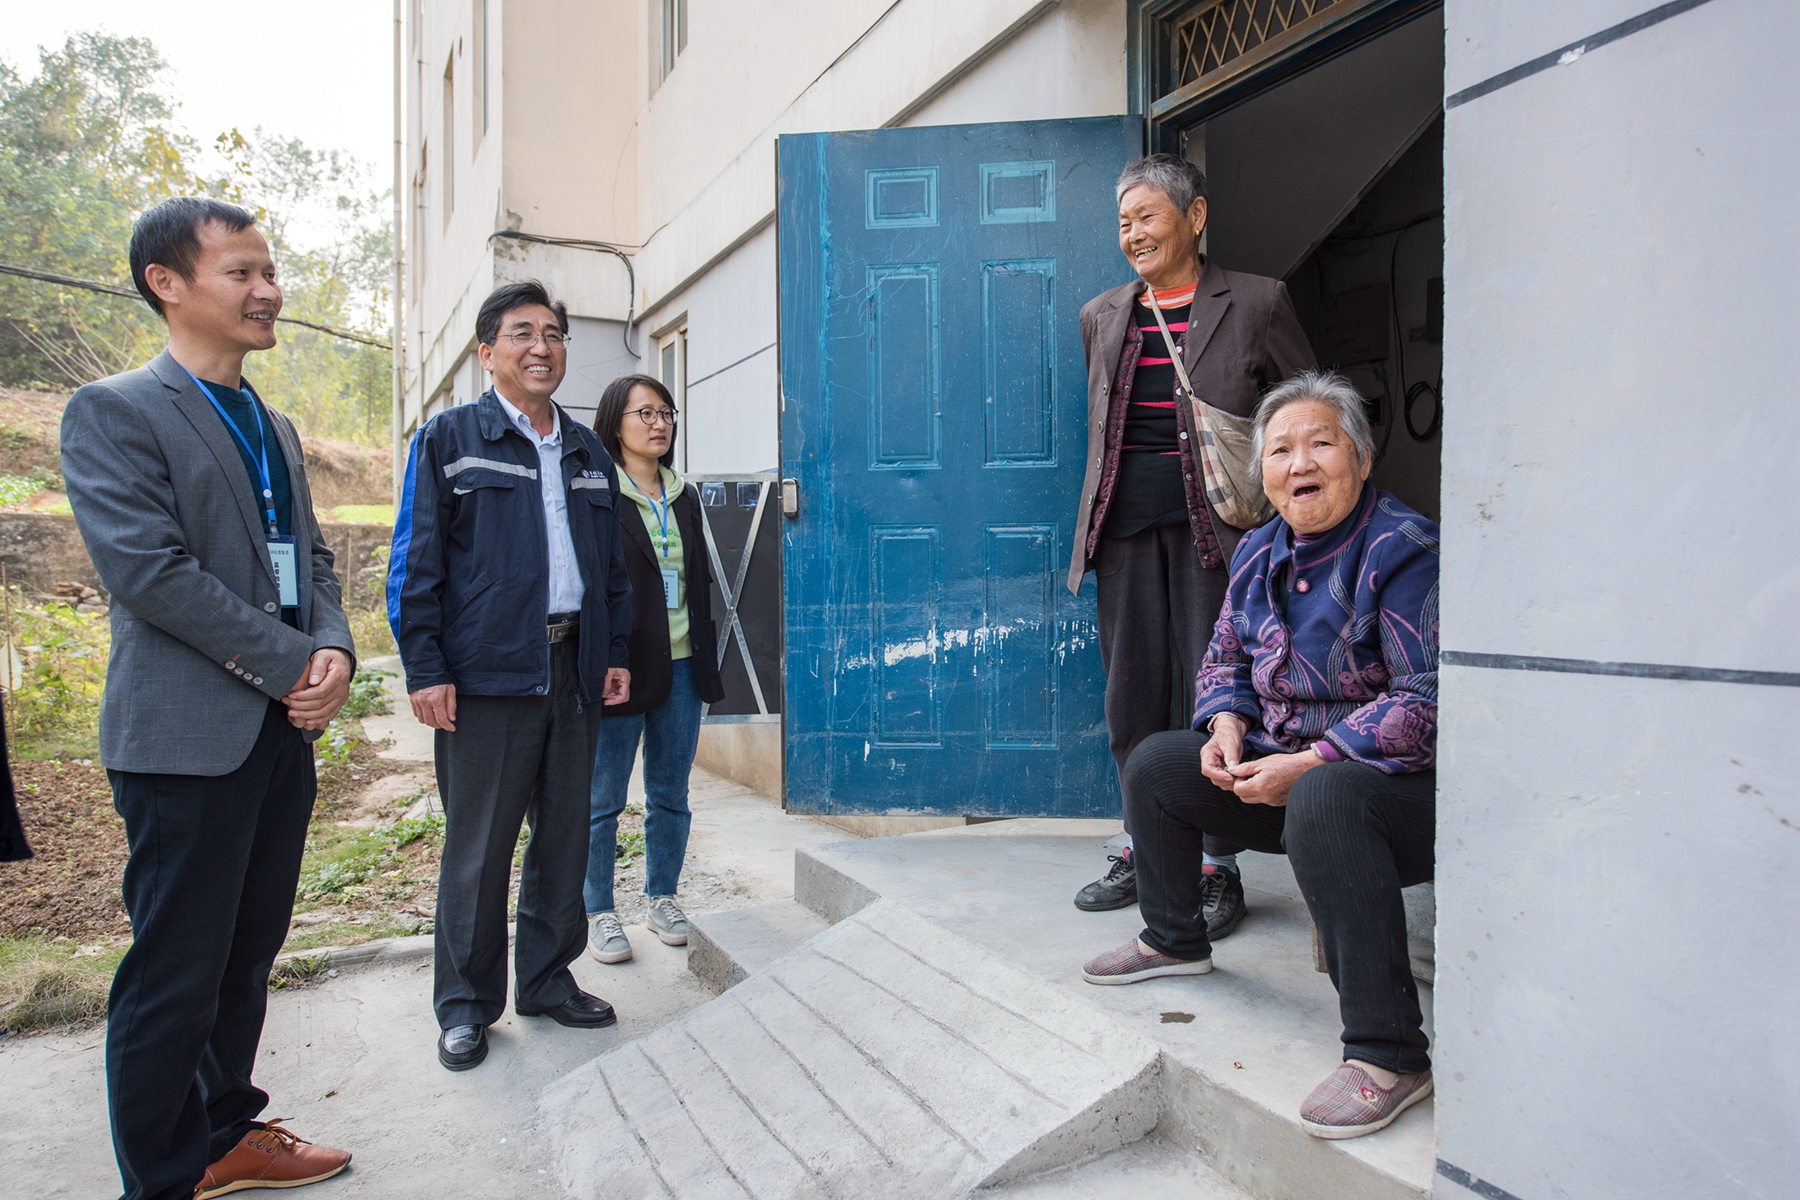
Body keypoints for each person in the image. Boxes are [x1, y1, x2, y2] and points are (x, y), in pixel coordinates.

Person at [61, 196, 356, 1200]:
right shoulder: (115, 410)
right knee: (174, 973)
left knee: (245, 957)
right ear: (168, 285)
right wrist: (289, 664)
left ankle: (225, 1132)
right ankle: (159, 1177)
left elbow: (313, 557)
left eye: (270, 271)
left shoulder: (269, 420)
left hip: (278, 736)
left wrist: (335, 654)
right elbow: (152, 573)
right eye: (242, 272)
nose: (268, 291)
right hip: (185, 742)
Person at [1080, 371, 1440, 1141]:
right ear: (1262, 471)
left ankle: (1389, 1054)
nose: (1299, 462)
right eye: (1280, 449)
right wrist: (1226, 729)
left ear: (1363, 458)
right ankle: (1175, 940)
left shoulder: (1404, 549)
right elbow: (1225, 660)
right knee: (1159, 762)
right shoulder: (1257, 550)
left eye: (1321, 443)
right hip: (1285, 782)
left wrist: (1314, 763)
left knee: (1327, 795)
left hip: (1393, 800)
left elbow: (1430, 698)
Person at [388, 281, 634, 1072]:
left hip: (574, 668)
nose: (542, 346)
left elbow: (613, 571)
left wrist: (616, 652)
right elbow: (415, 565)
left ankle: (547, 979)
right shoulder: (450, 440)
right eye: (522, 333)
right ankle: (465, 1005)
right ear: (487, 352)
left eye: (555, 333)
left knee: (564, 837)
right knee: (479, 848)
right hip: (486, 677)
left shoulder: (589, 451)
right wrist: (425, 665)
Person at [1069, 154, 1317, 928]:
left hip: (1227, 535)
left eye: (1147, 216)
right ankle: (1146, 847)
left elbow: (1306, 410)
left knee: (1222, 698)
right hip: (1124, 532)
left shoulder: (1256, 302)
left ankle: (1218, 859)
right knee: (1133, 695)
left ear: (1195, 216)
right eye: (1123, 223)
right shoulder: (1104, 314)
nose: (1133, 234)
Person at [582, 375, 726, 963]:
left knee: (671, 793)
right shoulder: (596, 491)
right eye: (644, 413)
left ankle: (662, 895)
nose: (659, 423)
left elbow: (698, 584)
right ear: (615, 422)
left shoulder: (684, 494)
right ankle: (596, 909)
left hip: (683, 665)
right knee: (603, 798)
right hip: (622, 667)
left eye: (666, 412)